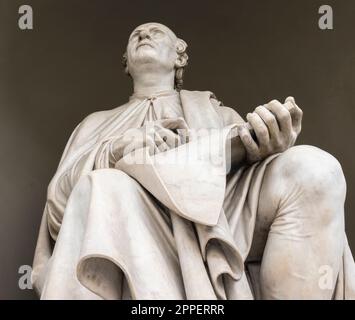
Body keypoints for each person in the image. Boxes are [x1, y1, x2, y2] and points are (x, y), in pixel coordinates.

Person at [32, 22, 355, 299]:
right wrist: (115, 150)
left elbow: (243, 178)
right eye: (136, 35)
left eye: (156, 32)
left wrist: (268, 143)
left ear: (179, 56)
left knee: (316, 170)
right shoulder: (96, 123)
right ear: (126, 63)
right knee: (102, 184)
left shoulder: (217, 113)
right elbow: (60, 208)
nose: (143, 33)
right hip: (135, 215)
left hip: (217, 217)